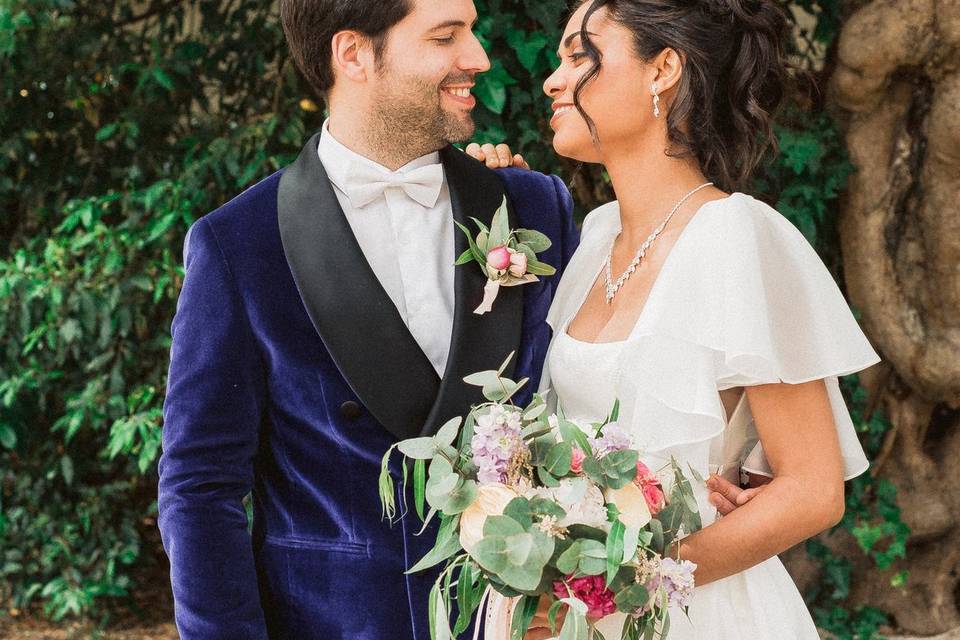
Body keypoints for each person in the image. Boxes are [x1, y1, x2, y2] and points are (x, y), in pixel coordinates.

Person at [155, 1, 580, 638]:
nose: (479, 58)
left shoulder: (533, 206)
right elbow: (199, 488)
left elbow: (584, 404)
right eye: (446, 37)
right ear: (353, 54)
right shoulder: (237, 245)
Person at [472, 1, 880, 638]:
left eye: (579, 55)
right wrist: (487, 206)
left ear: (662, 68)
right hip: (560, 614)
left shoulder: (737, 237)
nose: (552, 80)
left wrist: (619, 583)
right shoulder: (595, 239)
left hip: (689, 608)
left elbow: (813, 489)